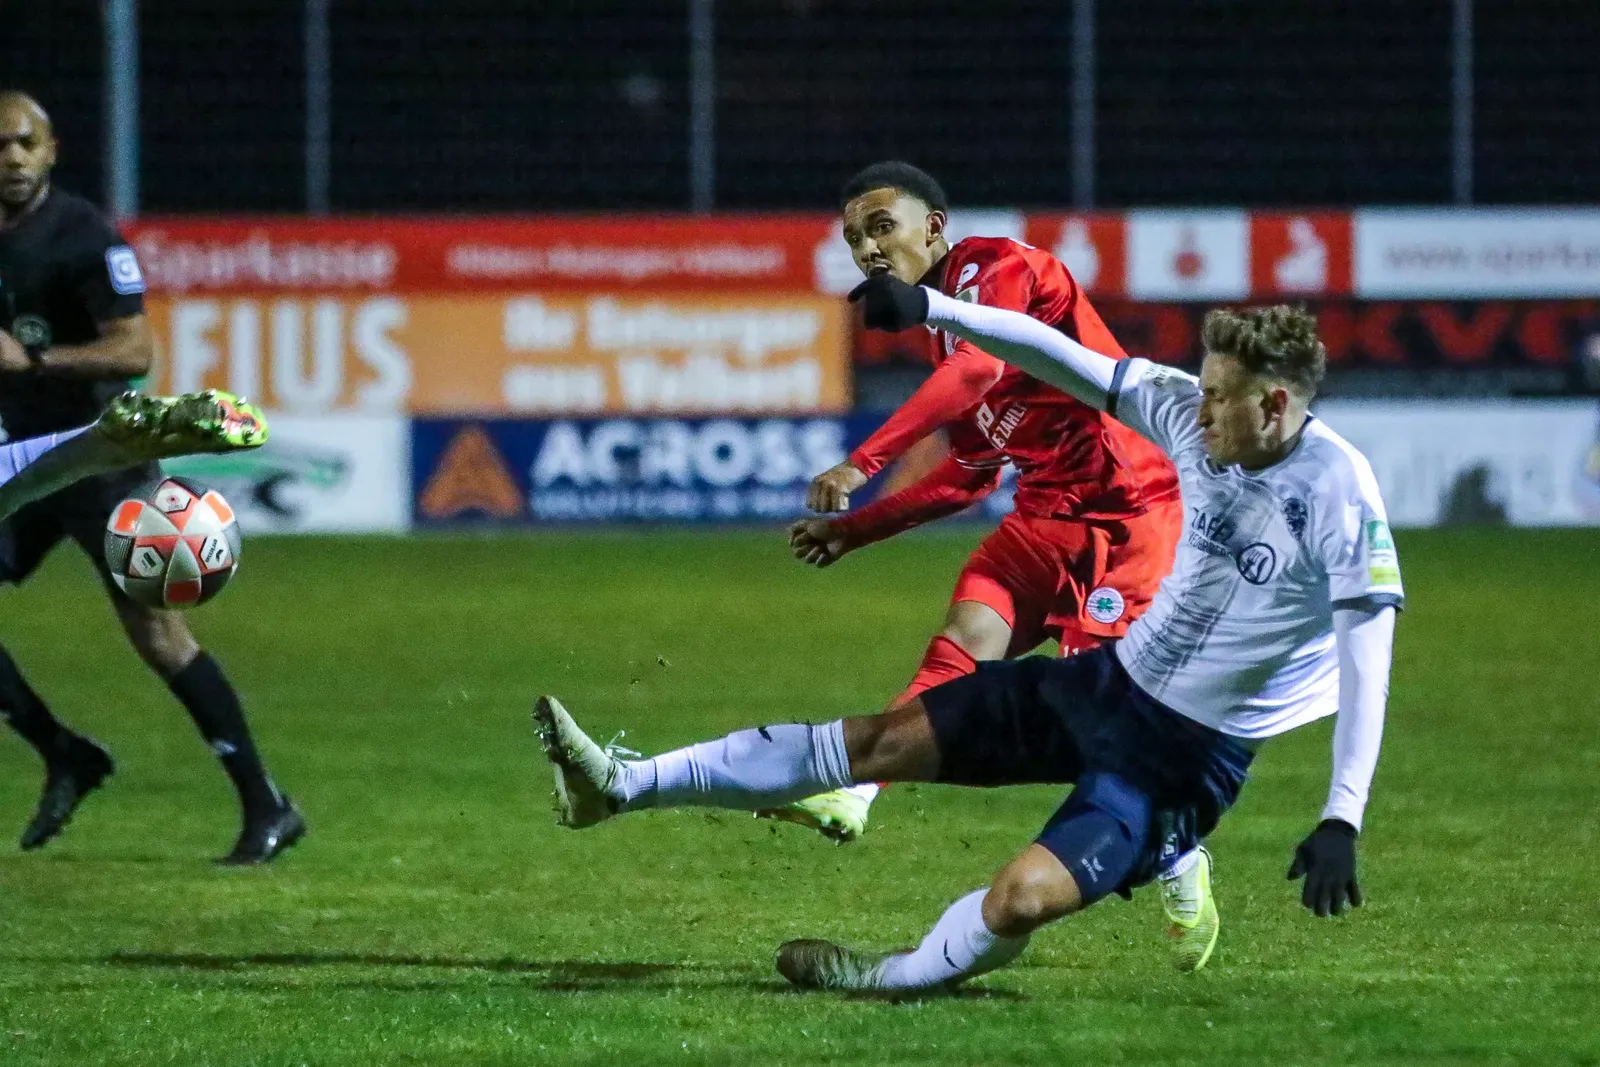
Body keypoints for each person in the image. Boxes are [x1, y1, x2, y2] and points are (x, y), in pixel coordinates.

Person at [533, 287, 1399, 993]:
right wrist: (935, 309)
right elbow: (1055, 352)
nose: (1197, 408)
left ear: (1274, 404)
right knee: (877, 740)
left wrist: (1341, 815)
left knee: (1020, 899)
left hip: (1180, 760)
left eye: (1218, 396)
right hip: (1102, 686)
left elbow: (1369, 656)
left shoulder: (1338, 493)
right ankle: (622, 784)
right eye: (1200, 388)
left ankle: (888, 975)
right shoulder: (1183, 414)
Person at [774, 162, 1215, 970]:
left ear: (934, 228)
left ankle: (1179, 847)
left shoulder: (997, 268)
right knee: (964, 637)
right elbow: (972, 472)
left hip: (1128, 516)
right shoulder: (943, 334)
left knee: (1102, 728)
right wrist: (858, 532)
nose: (868, 249)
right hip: (1044, 517)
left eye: (882, 227)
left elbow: (980, 366)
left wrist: (863, 462)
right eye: (854, 238)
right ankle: (857, 789)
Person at [0, 91, 301, 864]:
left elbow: (134, 351)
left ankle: (266, 804)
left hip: (101, 459)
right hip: (22, 461)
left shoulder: (82, 235)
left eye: (25, 143)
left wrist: (33, 359)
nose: (12, 158)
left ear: (51, 150)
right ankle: (63, 750)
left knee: (159, 635)